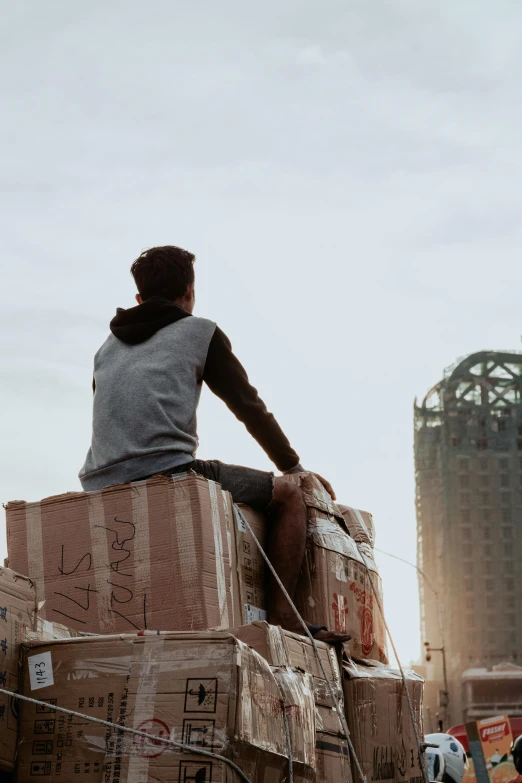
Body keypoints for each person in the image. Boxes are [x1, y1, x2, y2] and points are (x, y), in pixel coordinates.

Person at [79, 245, 349, 644]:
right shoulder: (199, 331)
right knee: (288, 496)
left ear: (139, 298)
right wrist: (293, 467)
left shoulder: (106, 348)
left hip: (97, 481)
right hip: (167, 470)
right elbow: (247, 405)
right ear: (189, 292)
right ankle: (284, 620)